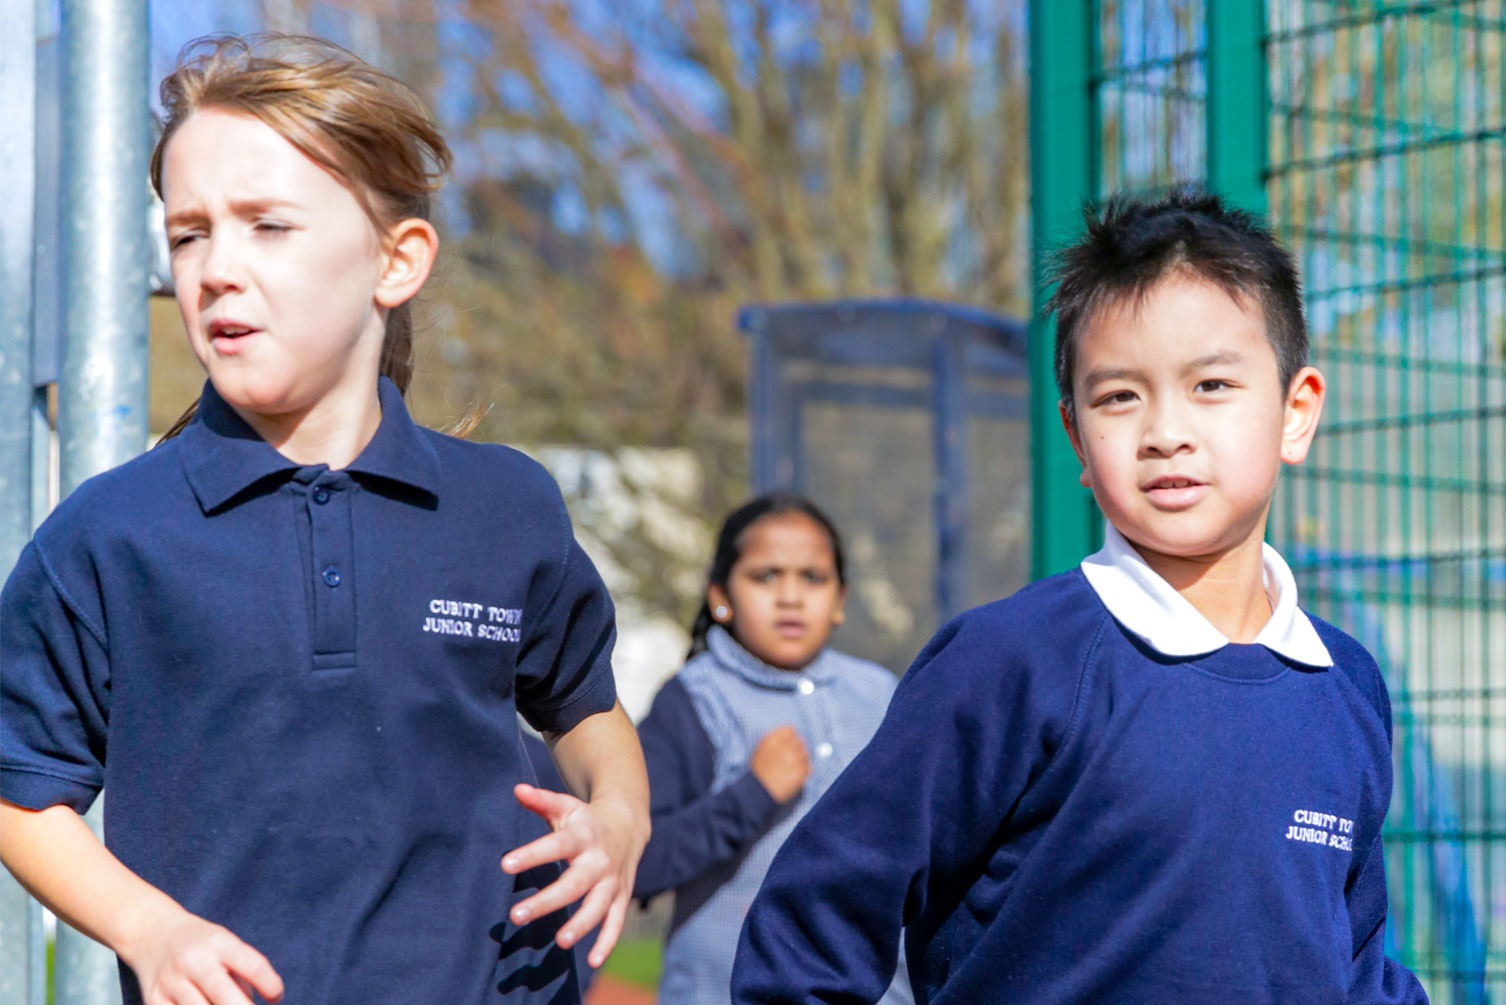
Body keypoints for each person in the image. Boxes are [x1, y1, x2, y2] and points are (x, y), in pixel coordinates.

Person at [0, 34, 649, 1005]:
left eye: (267, 225)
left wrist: (622, 817)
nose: (216, 267)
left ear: (397, 260)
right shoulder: (108, 536)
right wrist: (151, 930)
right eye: (189, 233)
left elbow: (588, 710)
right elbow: (20, 794)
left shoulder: (507, 509)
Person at [732, 190, 1428, 1003]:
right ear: (1077, 438)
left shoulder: (1345, 685)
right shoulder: (1010, 661)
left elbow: (1355, 965)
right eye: (1119, 396)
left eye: (1210, 384)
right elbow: (810, 927)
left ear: (1296, 412)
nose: (1165, 429)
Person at [632, 493, 912, 1003]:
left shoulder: (881, 694)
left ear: (841, 600)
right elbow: (640, 859)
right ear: (720, 595)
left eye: (813, 577)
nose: (791, 596)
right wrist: (752, 794)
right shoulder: (693, 701)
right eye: (766, 576)